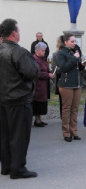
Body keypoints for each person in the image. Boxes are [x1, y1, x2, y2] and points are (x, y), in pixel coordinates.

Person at [0, 18, 39, 179]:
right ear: (14, 33)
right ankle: (18, 168)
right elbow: (32, 72)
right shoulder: (19, 52)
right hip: (18, 99)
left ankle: (7, 166)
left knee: (5, 135)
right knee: (19, 136)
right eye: (19, 30)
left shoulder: (2, 50)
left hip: (3, 99)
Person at [56, 34, 85, 142]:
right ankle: (66, 133)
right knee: (67, 109)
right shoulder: (61, 53)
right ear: (66, 42)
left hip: (77, 84)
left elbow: (77, 67)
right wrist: (74, 58)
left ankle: (74, 132)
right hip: (66, 84)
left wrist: (82, 64)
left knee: (75, 109)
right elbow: (64, 68)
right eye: (72, 41)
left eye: (75, 41)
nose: (75, 43)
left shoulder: (74, 52)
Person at [33, 42, 55, 127]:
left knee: (42, 102)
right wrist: (47, 75)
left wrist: (50, 73)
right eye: (42, 51)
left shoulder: (43, 58)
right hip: (38, 84)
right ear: (37, 50)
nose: (44, 52)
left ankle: (39, 119)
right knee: (37, 102)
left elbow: (46, 68)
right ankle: (37, 120)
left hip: (44, 84)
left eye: (44, 51)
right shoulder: (34, 59)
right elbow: (37, 73)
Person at [51, 35, 65, 118]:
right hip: (61, 79)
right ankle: (63, 117)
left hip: (71, 79)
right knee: (62, 100)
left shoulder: (72, 53)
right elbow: (54, 68)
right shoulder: (56, 54)